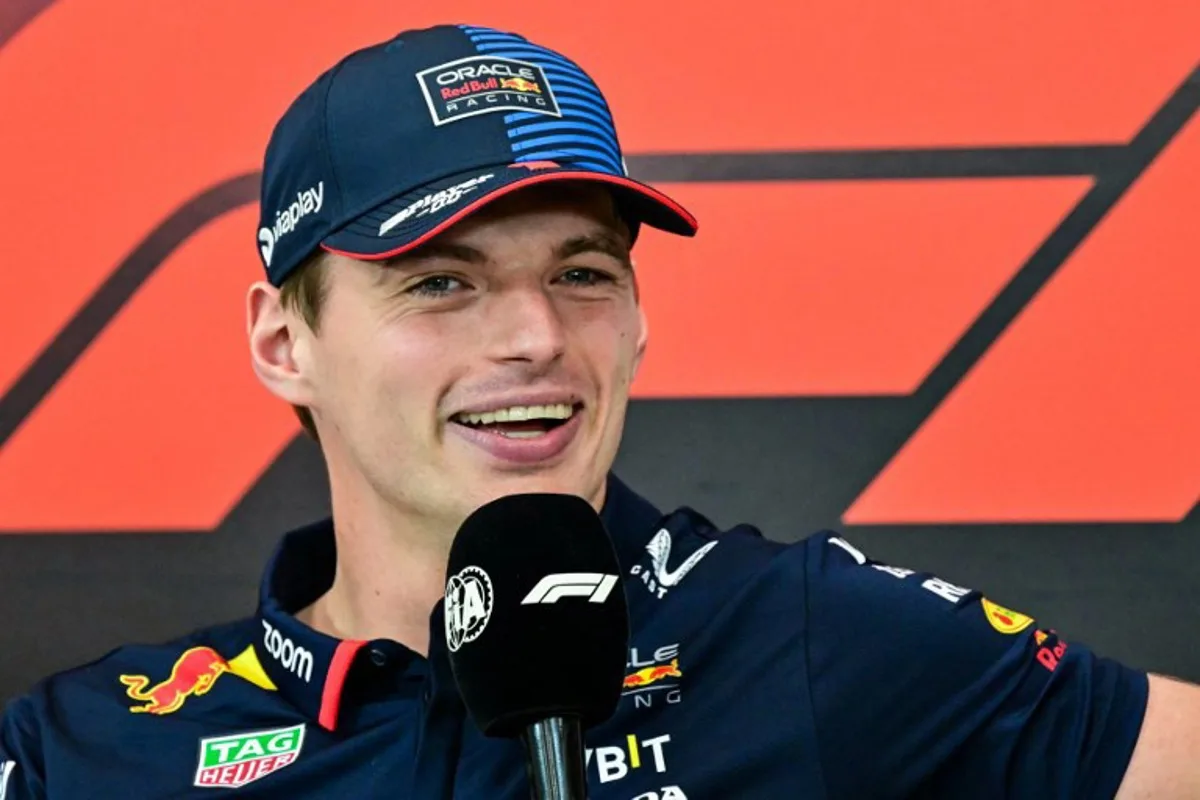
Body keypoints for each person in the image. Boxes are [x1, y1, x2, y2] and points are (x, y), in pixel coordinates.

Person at [0, 22, 1196, 799]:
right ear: (283, 341)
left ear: (634, 317)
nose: (535, 337)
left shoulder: (802, 634)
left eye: (581, 272)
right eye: (442, 281)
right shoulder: (90, 747)